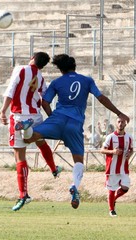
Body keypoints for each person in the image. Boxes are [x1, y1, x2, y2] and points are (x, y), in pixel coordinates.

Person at [17, 54, 130, 209]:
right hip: (75, 125)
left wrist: (53, 119)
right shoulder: (87, 80)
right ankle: (74, 187)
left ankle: (26, 126)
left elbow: (44, 102)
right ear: (74, 66)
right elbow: (101, 98)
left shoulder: (57, 82)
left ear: (61, 69)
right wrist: (119, 113)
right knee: (78, 160)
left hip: (57, 120)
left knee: (29, 138)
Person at [0, 52, 62, 211]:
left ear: (32, 58)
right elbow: (45, 100)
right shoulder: (40, 77)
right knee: (41, 142)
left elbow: (11, 90)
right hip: (36, 115)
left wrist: (3, 111)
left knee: (19, 156)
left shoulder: (21, 69)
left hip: (19, 116)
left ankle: (23, 194)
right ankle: (54, 169)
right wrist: (52, 118)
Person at [101, 117, 133, 217]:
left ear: (125, 124)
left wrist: (129, 154)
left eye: (122, 122)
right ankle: (111, 210)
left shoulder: (129, 137)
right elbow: (102, 150)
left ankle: (114, 200)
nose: (120, 124)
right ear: (116, 123)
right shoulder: (110, 137)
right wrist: (113, 152)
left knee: (126, 187)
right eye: (119, 122)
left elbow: (131, 149)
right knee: (112, 189)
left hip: (123, 168)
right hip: (112, 168)